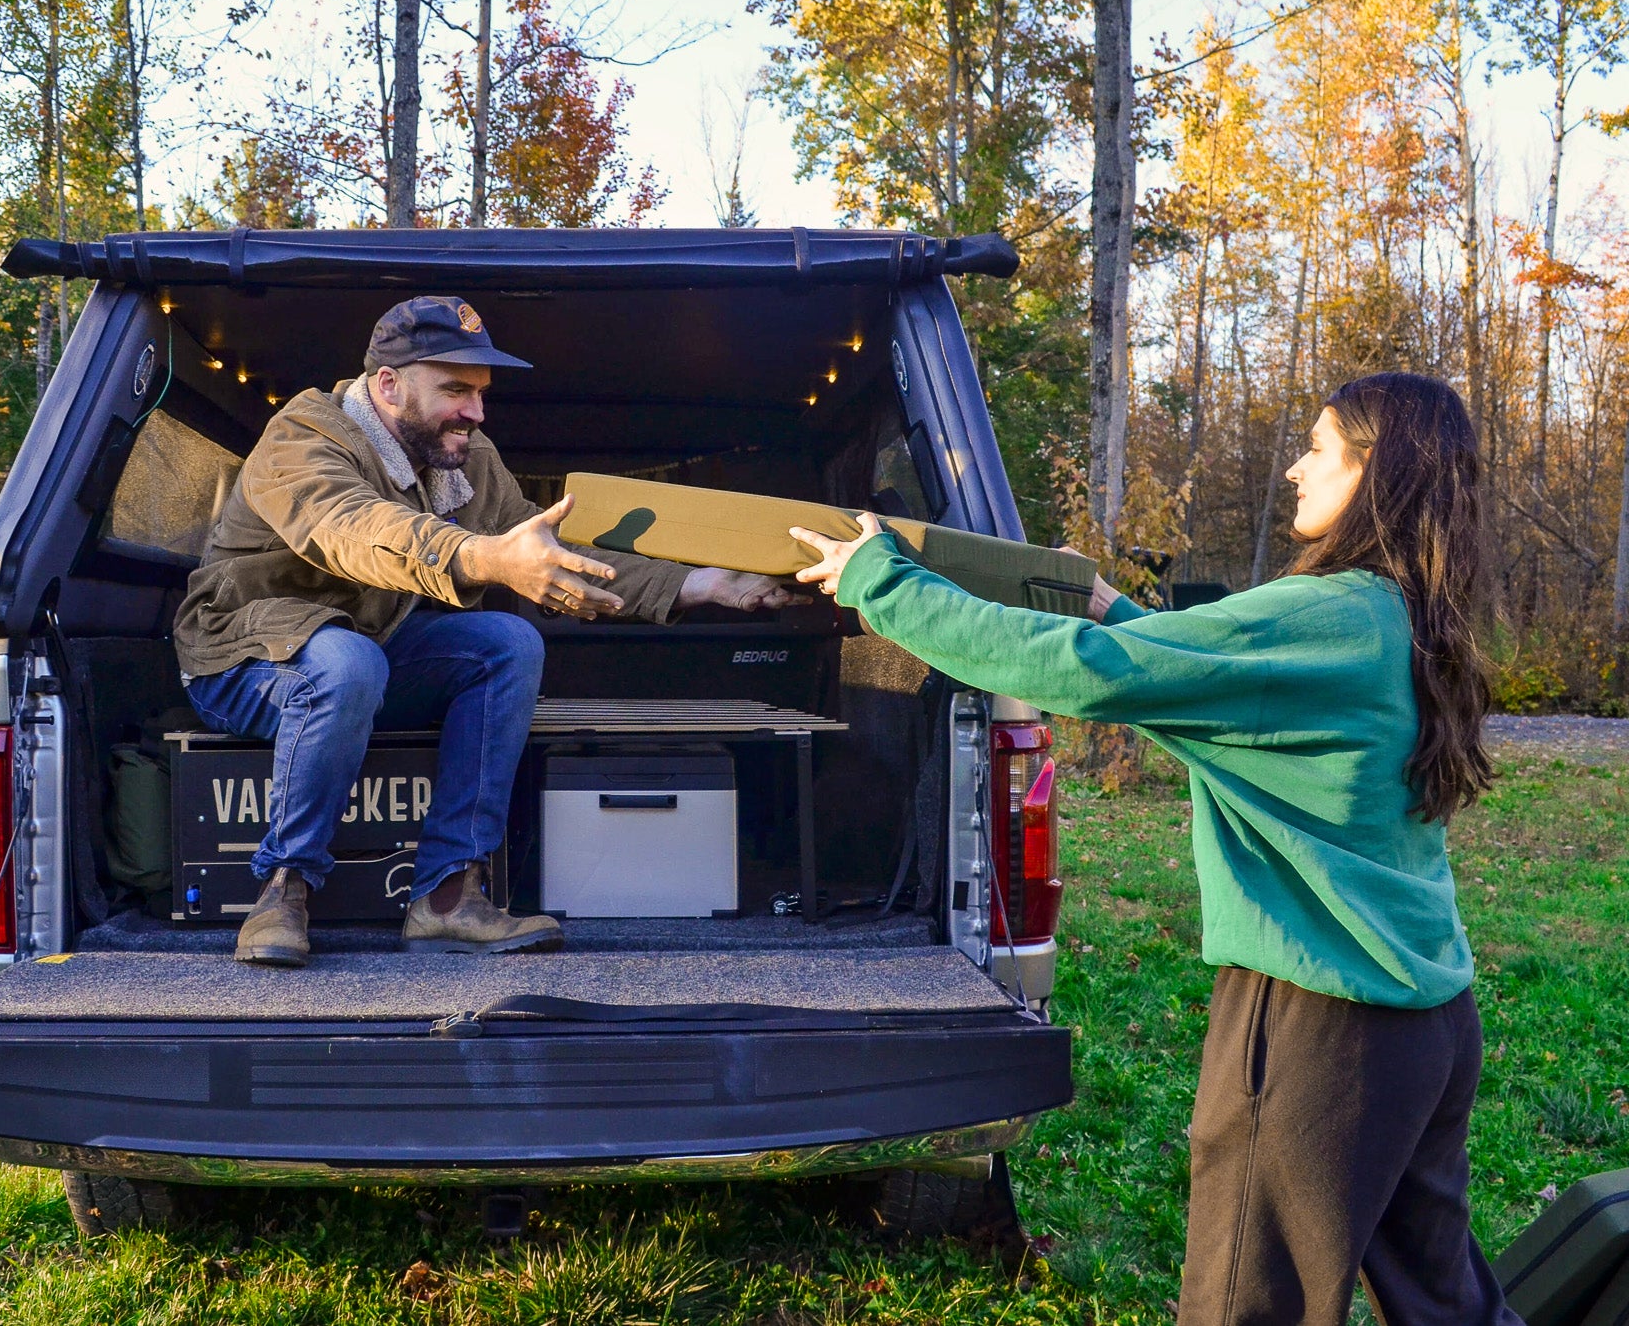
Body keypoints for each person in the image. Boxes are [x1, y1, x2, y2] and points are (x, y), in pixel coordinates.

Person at [791, 373, 1518, 1326]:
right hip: (1426, 1024)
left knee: (1240, 1307)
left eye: (1317, 446)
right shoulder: (1407, 615)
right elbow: (1217, 701)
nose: (1295, 468)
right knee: (1445, 1304)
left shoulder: (1327, 611)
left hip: (1319, 1029)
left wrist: (885, 585)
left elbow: (1082, 679)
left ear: (1374, 469)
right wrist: (1106, 607)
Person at [173, 295, 802, 967]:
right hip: (244, 656)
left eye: (480, 392)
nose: (476, 411)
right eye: (455, 390)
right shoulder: (302, 436)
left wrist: (694, 584)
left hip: (365, 655)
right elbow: (357, 531)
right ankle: (284, 887)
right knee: (349, 662)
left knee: (507, 643)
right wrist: (486, 558)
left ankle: (448, 897)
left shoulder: (465, 459)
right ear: (388, 385)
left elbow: (543, 543)